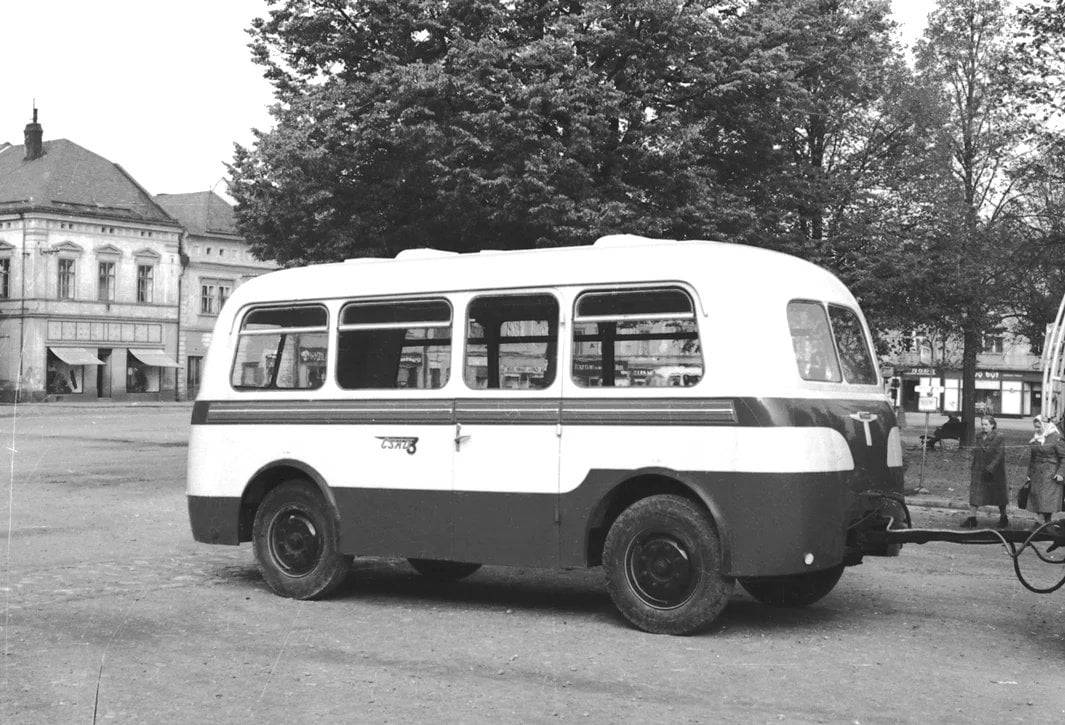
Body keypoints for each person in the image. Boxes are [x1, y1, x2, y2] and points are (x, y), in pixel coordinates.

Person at [961, 416, 1008, 528]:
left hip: (995, 472)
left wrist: (991, 468)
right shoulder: (979, 436)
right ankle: (972, 518)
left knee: (999, 495)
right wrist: (973, 464)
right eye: (982, 424)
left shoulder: (999, 436)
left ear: (992, 425)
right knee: (975, 494)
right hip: (979, 469)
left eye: (986, 424)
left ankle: (1004, 517)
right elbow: (977, 451)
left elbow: (1000, 454)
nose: (983, 426)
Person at [1025, 415, 1065, 527]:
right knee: (1038, 499)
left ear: (1045, 425)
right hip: (1037, 472)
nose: (1036, 429)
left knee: (1046, 500)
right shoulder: (1036, 437)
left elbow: (1064, 457)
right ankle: (1046, 525)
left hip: (1051, 474)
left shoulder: (1056, 437)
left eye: (1039, 427)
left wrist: (1061, 473)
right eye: (1035, 427)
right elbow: (1033, 457)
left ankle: (1040, 523)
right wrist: (1029, 473)